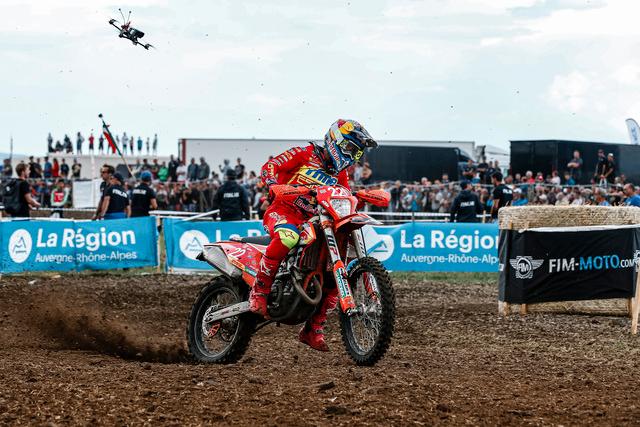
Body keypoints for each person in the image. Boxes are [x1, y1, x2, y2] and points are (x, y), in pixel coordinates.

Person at [250, 119, 377, 352]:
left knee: (336, 268)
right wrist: (272, 184)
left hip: (315, 221)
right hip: (284, 212)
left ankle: (313, 328)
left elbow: (344, 196)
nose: (351, 156)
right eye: (350, 148)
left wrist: (359, 199)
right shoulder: (305, 153)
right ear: (335, 141)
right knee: (288, 237)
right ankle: (259, 291)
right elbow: (271, 166)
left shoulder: (340, 174)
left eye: (356, 153)